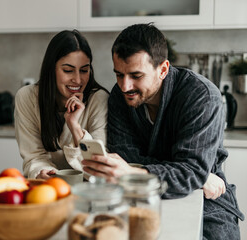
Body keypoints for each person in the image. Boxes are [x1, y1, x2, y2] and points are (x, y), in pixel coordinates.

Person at [82, 23, 245, 239]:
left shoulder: (202, 97)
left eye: (136, 75)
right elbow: (126, 157)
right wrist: (195, 175)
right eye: (119, 75)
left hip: (207, 201)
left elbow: (189, 172)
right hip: (137, 196)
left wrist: (134, 172)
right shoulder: (119, 97)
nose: (124, 86)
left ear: (164, 69)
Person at [14, 30, 109, 179]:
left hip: (88, 190)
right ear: (51, 69)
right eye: (68, 70)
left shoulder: (99, 99)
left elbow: (100, 166)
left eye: (84, 70)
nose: (78, 80)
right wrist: (42, 173)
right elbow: (34, 157)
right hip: (48, 188)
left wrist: (75, 126)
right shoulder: (26, 98)